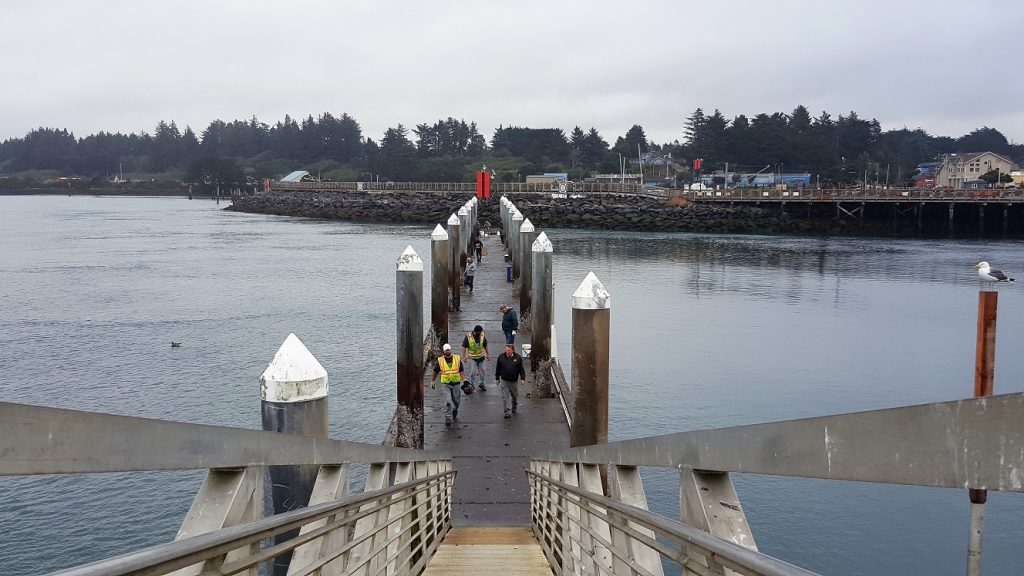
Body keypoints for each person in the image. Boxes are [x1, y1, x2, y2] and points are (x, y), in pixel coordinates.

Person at [430, 343, 466, 426]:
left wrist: (465, 380)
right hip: (446, 384)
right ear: (444, 351)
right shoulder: (440, 361)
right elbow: (435, 372)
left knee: (456, 400)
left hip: (456, 383)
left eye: (448, 350)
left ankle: (455, 409)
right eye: (446, 350)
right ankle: (448, 417)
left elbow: (461, 371)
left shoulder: (457, 359)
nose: (448, 351)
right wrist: (433, 381)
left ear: (451, 350)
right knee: (448, 400)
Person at [494, 343, 526, 419]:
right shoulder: (501, 357)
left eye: (508, 350)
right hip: (504, 380)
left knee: (514, 396)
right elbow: (498, 368)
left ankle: (514, 407)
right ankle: (507, 412)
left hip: (514, 381)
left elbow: (521, 369)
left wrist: (522, 378)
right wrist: (497, 378)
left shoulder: (517, 357)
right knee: (505, 396)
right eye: (506, 350)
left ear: (512, 350)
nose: (507, 352)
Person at [461, 324, 490, 392]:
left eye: (480, 332)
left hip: (481, 357)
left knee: (483, 372)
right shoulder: (468, 337)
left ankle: (481, 384)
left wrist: (488, 354)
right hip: (472, 358)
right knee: (472, 372)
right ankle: (471, 385)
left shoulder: (482, 335)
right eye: (478, 333)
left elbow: (485, 345)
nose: (479, 334)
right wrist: (464, 356)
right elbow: (463, 347)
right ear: (475, 331)